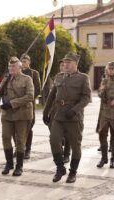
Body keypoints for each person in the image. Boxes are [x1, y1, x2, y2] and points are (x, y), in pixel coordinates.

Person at [43, 53, 91, 183]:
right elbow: (51, 96)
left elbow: (87, 98)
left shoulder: (83, 78)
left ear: (76, 64)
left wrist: (74, 110)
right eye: (64, 62)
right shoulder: (59, 76)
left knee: (76, 146)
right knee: (54, 140)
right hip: (58, 115)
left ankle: (73, 172)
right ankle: (60, 167)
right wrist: (45, 112)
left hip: (74, 117)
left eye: (68, 62)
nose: (65, 64)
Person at [0, 57, 34, 176]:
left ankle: (19, 166)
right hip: (7, 114)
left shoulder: (27, 79)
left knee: (20, 140)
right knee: (5, 137)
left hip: (22, 114)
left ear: (20, 67)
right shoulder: (6, 79)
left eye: (13, 67)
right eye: (9, 67)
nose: (11, 69)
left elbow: (30, 96)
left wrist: (12, 104)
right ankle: (9, 163)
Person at [44, 59, 71, 163]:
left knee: (68, 133)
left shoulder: (75, 78)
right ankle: (60, 151)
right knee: (53, 132)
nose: (62, 67)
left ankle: (67, 154)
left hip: (68, 110)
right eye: (61, 65)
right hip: (55, 110)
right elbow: (51, 96)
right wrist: (45, 112)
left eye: (64, 65)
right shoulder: (57, 77)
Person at [20, 53, 41, 160]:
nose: (23, 63)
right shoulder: (16, 73)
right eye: (22, 61)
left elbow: (38, 89)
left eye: (25, 61)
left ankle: (27, 150)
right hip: (17, 105)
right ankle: (19, 149)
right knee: (17, 128)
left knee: (28, 127)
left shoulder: (34, 73)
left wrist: (28, 98)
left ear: (29, 62)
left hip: (29, 104)